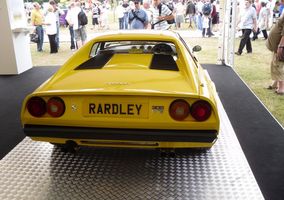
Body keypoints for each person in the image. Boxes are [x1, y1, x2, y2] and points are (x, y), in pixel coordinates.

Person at [266, 14, 284, 95]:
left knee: (278, 65)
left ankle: (281, 88)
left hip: (280, 45)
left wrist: (281, 45)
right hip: (277, 45)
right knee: (275, 63)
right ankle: (275, 83)